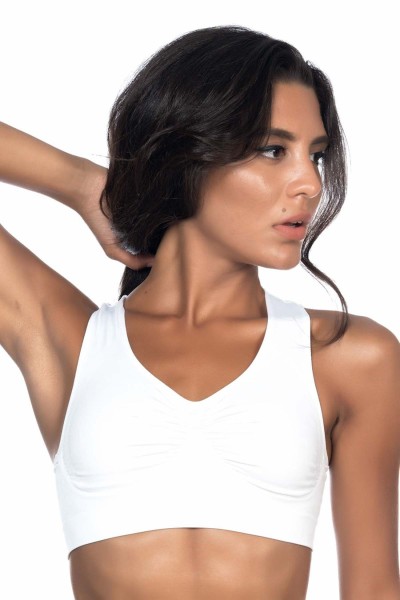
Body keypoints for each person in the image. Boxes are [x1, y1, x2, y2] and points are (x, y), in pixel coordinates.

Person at [1, 24, 399, 600]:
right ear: (186, 154)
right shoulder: (70, 342)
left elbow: (374, 589)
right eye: (274, 150)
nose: (310, 183)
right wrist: (81, 183)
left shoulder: (349, 356)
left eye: (316, 155)